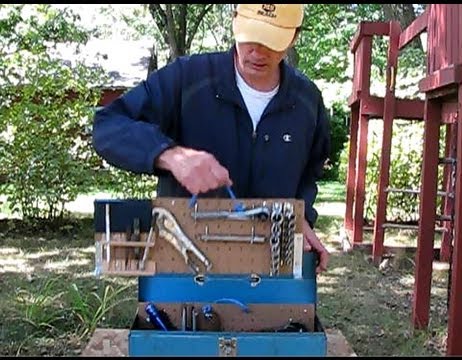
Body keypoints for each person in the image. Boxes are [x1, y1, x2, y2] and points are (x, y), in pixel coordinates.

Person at [92, 4, 331, 273]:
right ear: (235, 21)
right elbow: (107, 125)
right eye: (251, 35)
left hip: (272, 265)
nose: (257, 51)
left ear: (294, 37)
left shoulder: (308, 101)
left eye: (272, 40)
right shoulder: (188, 78)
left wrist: (301, 218)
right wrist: (170, 155)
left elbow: (310, 173)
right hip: (183, 260)